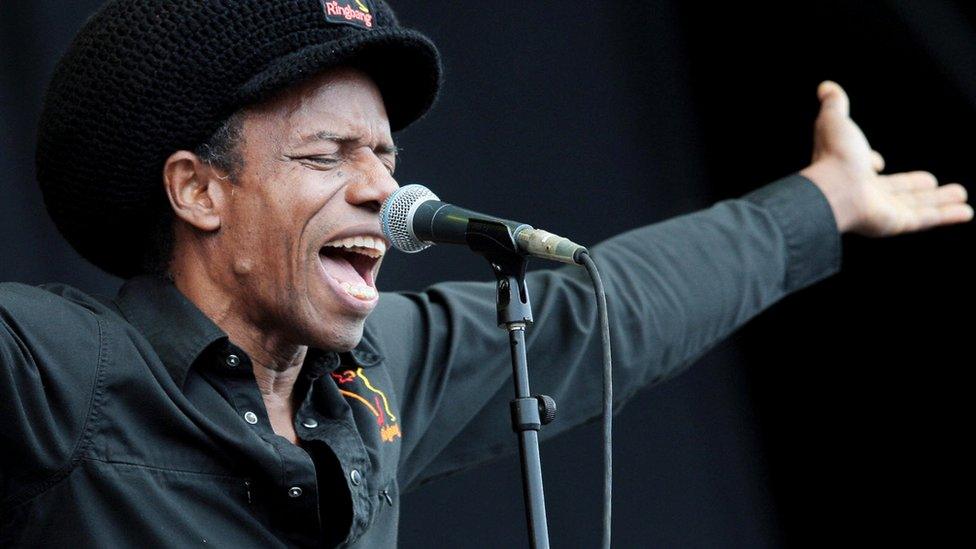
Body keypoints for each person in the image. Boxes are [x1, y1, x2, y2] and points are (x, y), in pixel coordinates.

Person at [1, 1, 971, 547]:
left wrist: (822, 200)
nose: (382, 189)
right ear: (198, 192)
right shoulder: (62, 369)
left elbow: (604, 311)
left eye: (384, 154)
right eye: (328, 154)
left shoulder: (377, 376)